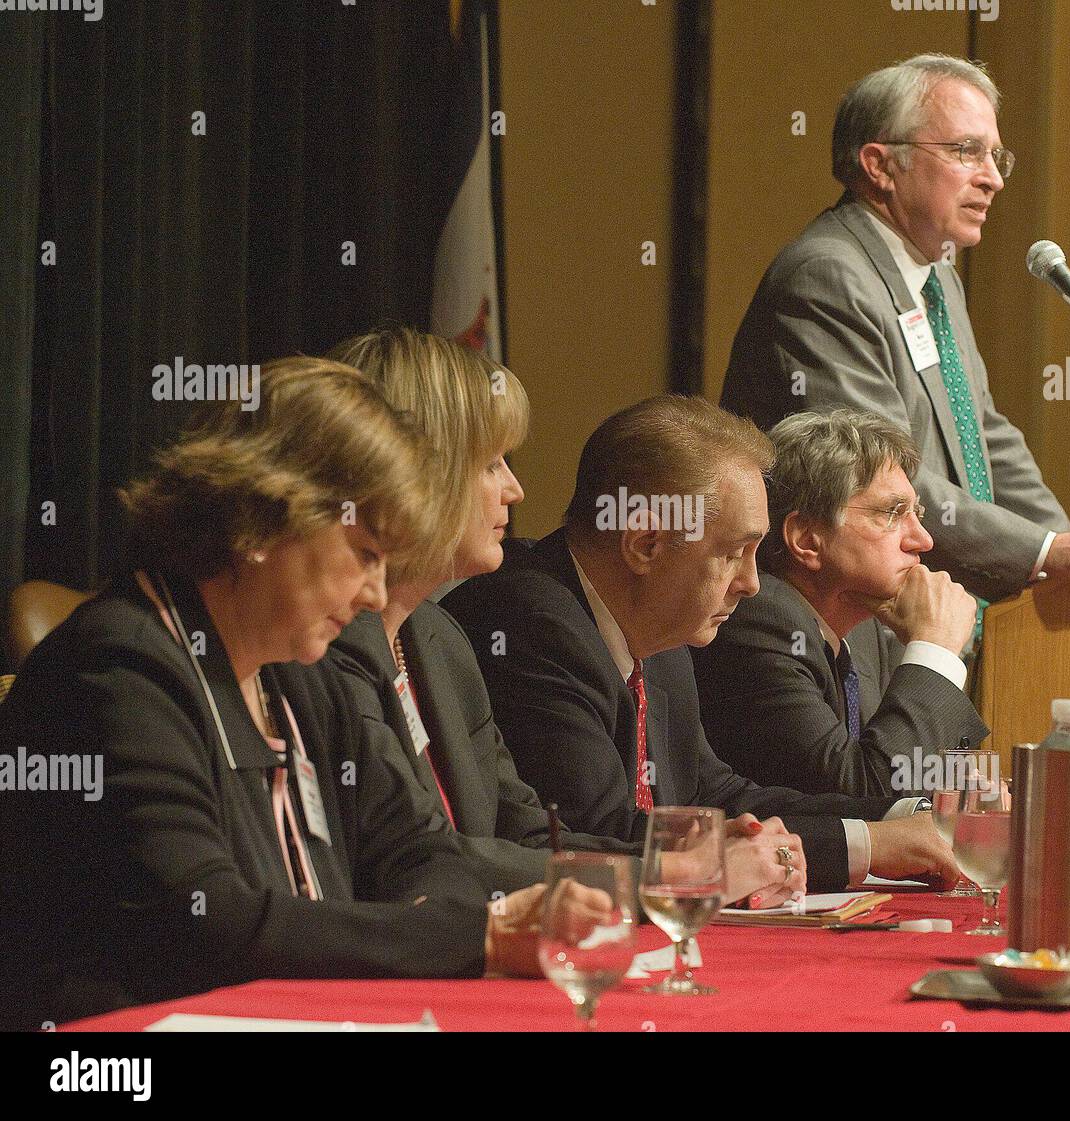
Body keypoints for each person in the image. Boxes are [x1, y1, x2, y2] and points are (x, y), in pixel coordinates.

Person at [0, 356, 603, 1030]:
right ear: (267, 518)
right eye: (366, 553)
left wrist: (431, 925)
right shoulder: (117, 667)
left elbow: (420, 851)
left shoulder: (301, 668)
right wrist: (471, 938)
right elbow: (205, 921)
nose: (377, 593)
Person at [326, 328, 805, 907]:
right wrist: (682, 876)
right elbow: (418, 861)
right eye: (490, 464)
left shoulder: (437, 639)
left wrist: (690, 863)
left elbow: (526, 834)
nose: (516, 489)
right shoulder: (325, 647)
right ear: (410, 473)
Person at [442, 395, 961, 892]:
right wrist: (863, 845)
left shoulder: (661, 628)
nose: (752, 582)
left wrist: (902, 819)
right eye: (735, 552)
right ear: (646, 545)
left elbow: (711, 794)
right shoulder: (532, 624)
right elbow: (598, 835)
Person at [720, 53, 1070, 614]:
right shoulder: (827, 278)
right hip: (840, 627)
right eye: (965, 151)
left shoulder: (936, 277)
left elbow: (987, 436)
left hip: (934, 614)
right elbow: (876, 481)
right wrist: (1046, 552)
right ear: (881, 165)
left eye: (996, 155)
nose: (994, 178)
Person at [691, 408, 989, 798]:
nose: (923, 540)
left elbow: (892, 768)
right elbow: (856, 795)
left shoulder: (863, 631)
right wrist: (936, 648)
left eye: (915, 514)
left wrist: (950, 785)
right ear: (807, 538)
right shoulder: (761, 618)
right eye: (893, 513)